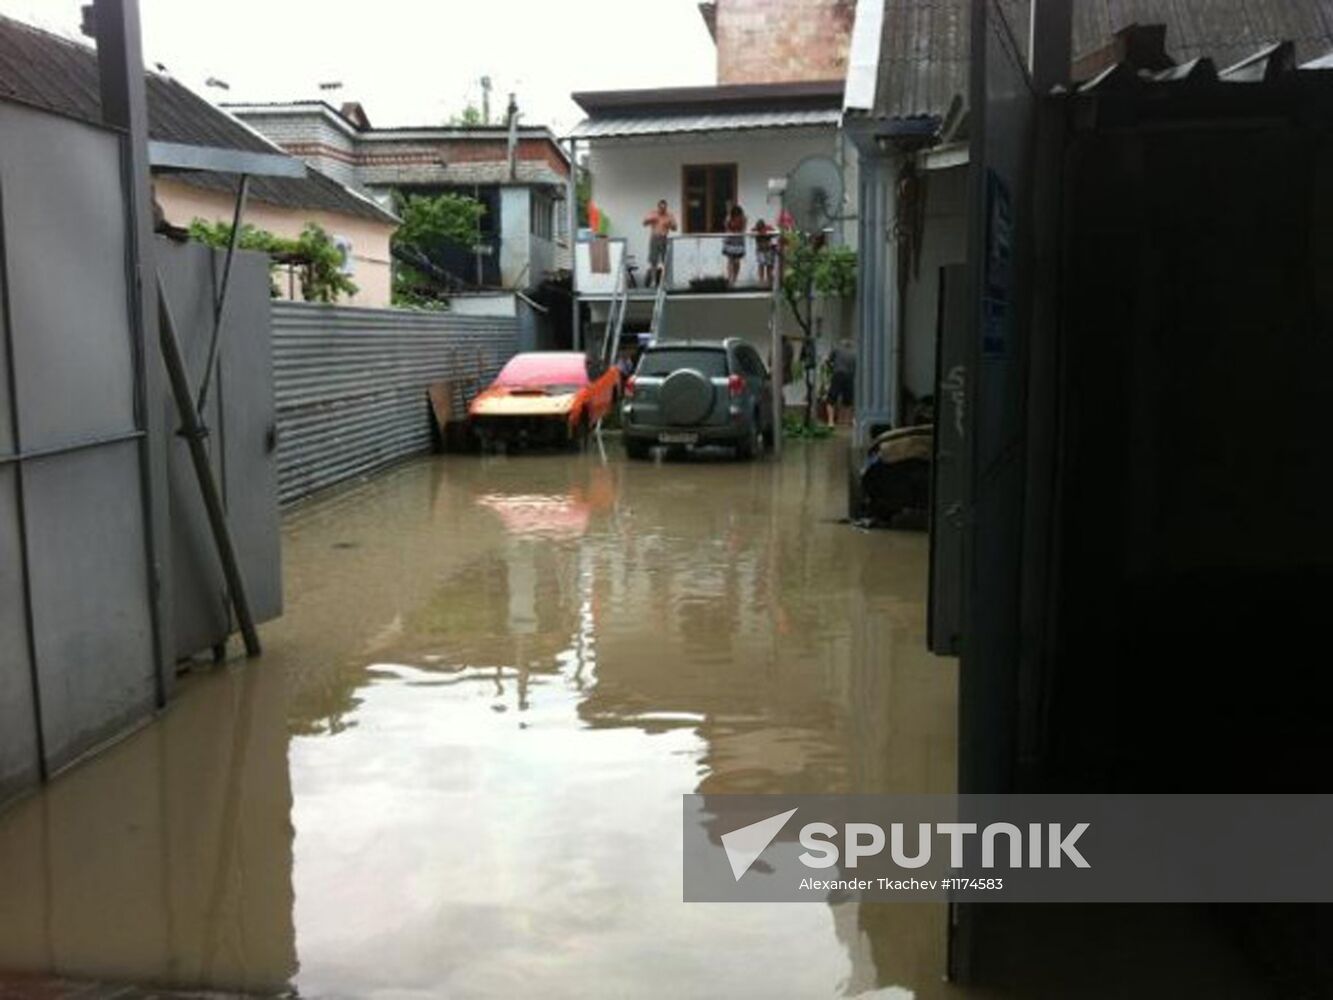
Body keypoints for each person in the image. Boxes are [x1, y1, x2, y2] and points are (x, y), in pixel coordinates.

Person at [641, 199, 677, 288]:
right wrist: (650, 220)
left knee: (665, 261)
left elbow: (675, 227)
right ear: (658, 207)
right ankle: (653, 281)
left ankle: (664, 281)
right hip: (655, 238)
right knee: (654, 261)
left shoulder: (669, 215)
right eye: (661, 208)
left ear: (666, 207)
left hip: (664, 238)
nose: (662, 210)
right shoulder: (653, 213)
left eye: (664, 208)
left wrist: (670, 225)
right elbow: (644, 223)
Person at [826, 340, 856, 427]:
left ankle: (830, 421)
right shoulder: (854, 353)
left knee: (831, 399)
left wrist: (831, 368)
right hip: (850, 376)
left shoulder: (836, 349)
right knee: (849, 401)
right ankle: (850, 420)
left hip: (838, 374)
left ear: (842, 345)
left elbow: (828, 361)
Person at [722, 203, 747, 286]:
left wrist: (738, 228)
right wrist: (729, 214)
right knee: (730, 260)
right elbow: (726, 226)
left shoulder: (743, 219)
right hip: (730, 241)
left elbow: (743, 228)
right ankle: (729, 279)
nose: (736, 215)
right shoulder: (729, 219)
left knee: (736, 261)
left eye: (737, 214)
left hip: (738, 242)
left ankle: (735, 278)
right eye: (734, 214)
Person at [753, 218, 775, 286]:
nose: (761, 230)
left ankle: (769, 281)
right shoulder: (755, 230)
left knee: (769, 265)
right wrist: (757, 232)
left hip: (768, 249)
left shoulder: (769, 228)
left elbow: (775, 233)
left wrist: (767, 233)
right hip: (760, 250)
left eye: (761, 228)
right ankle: (761, 280)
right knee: (761, 265)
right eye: (759, 229)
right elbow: (750, 233)